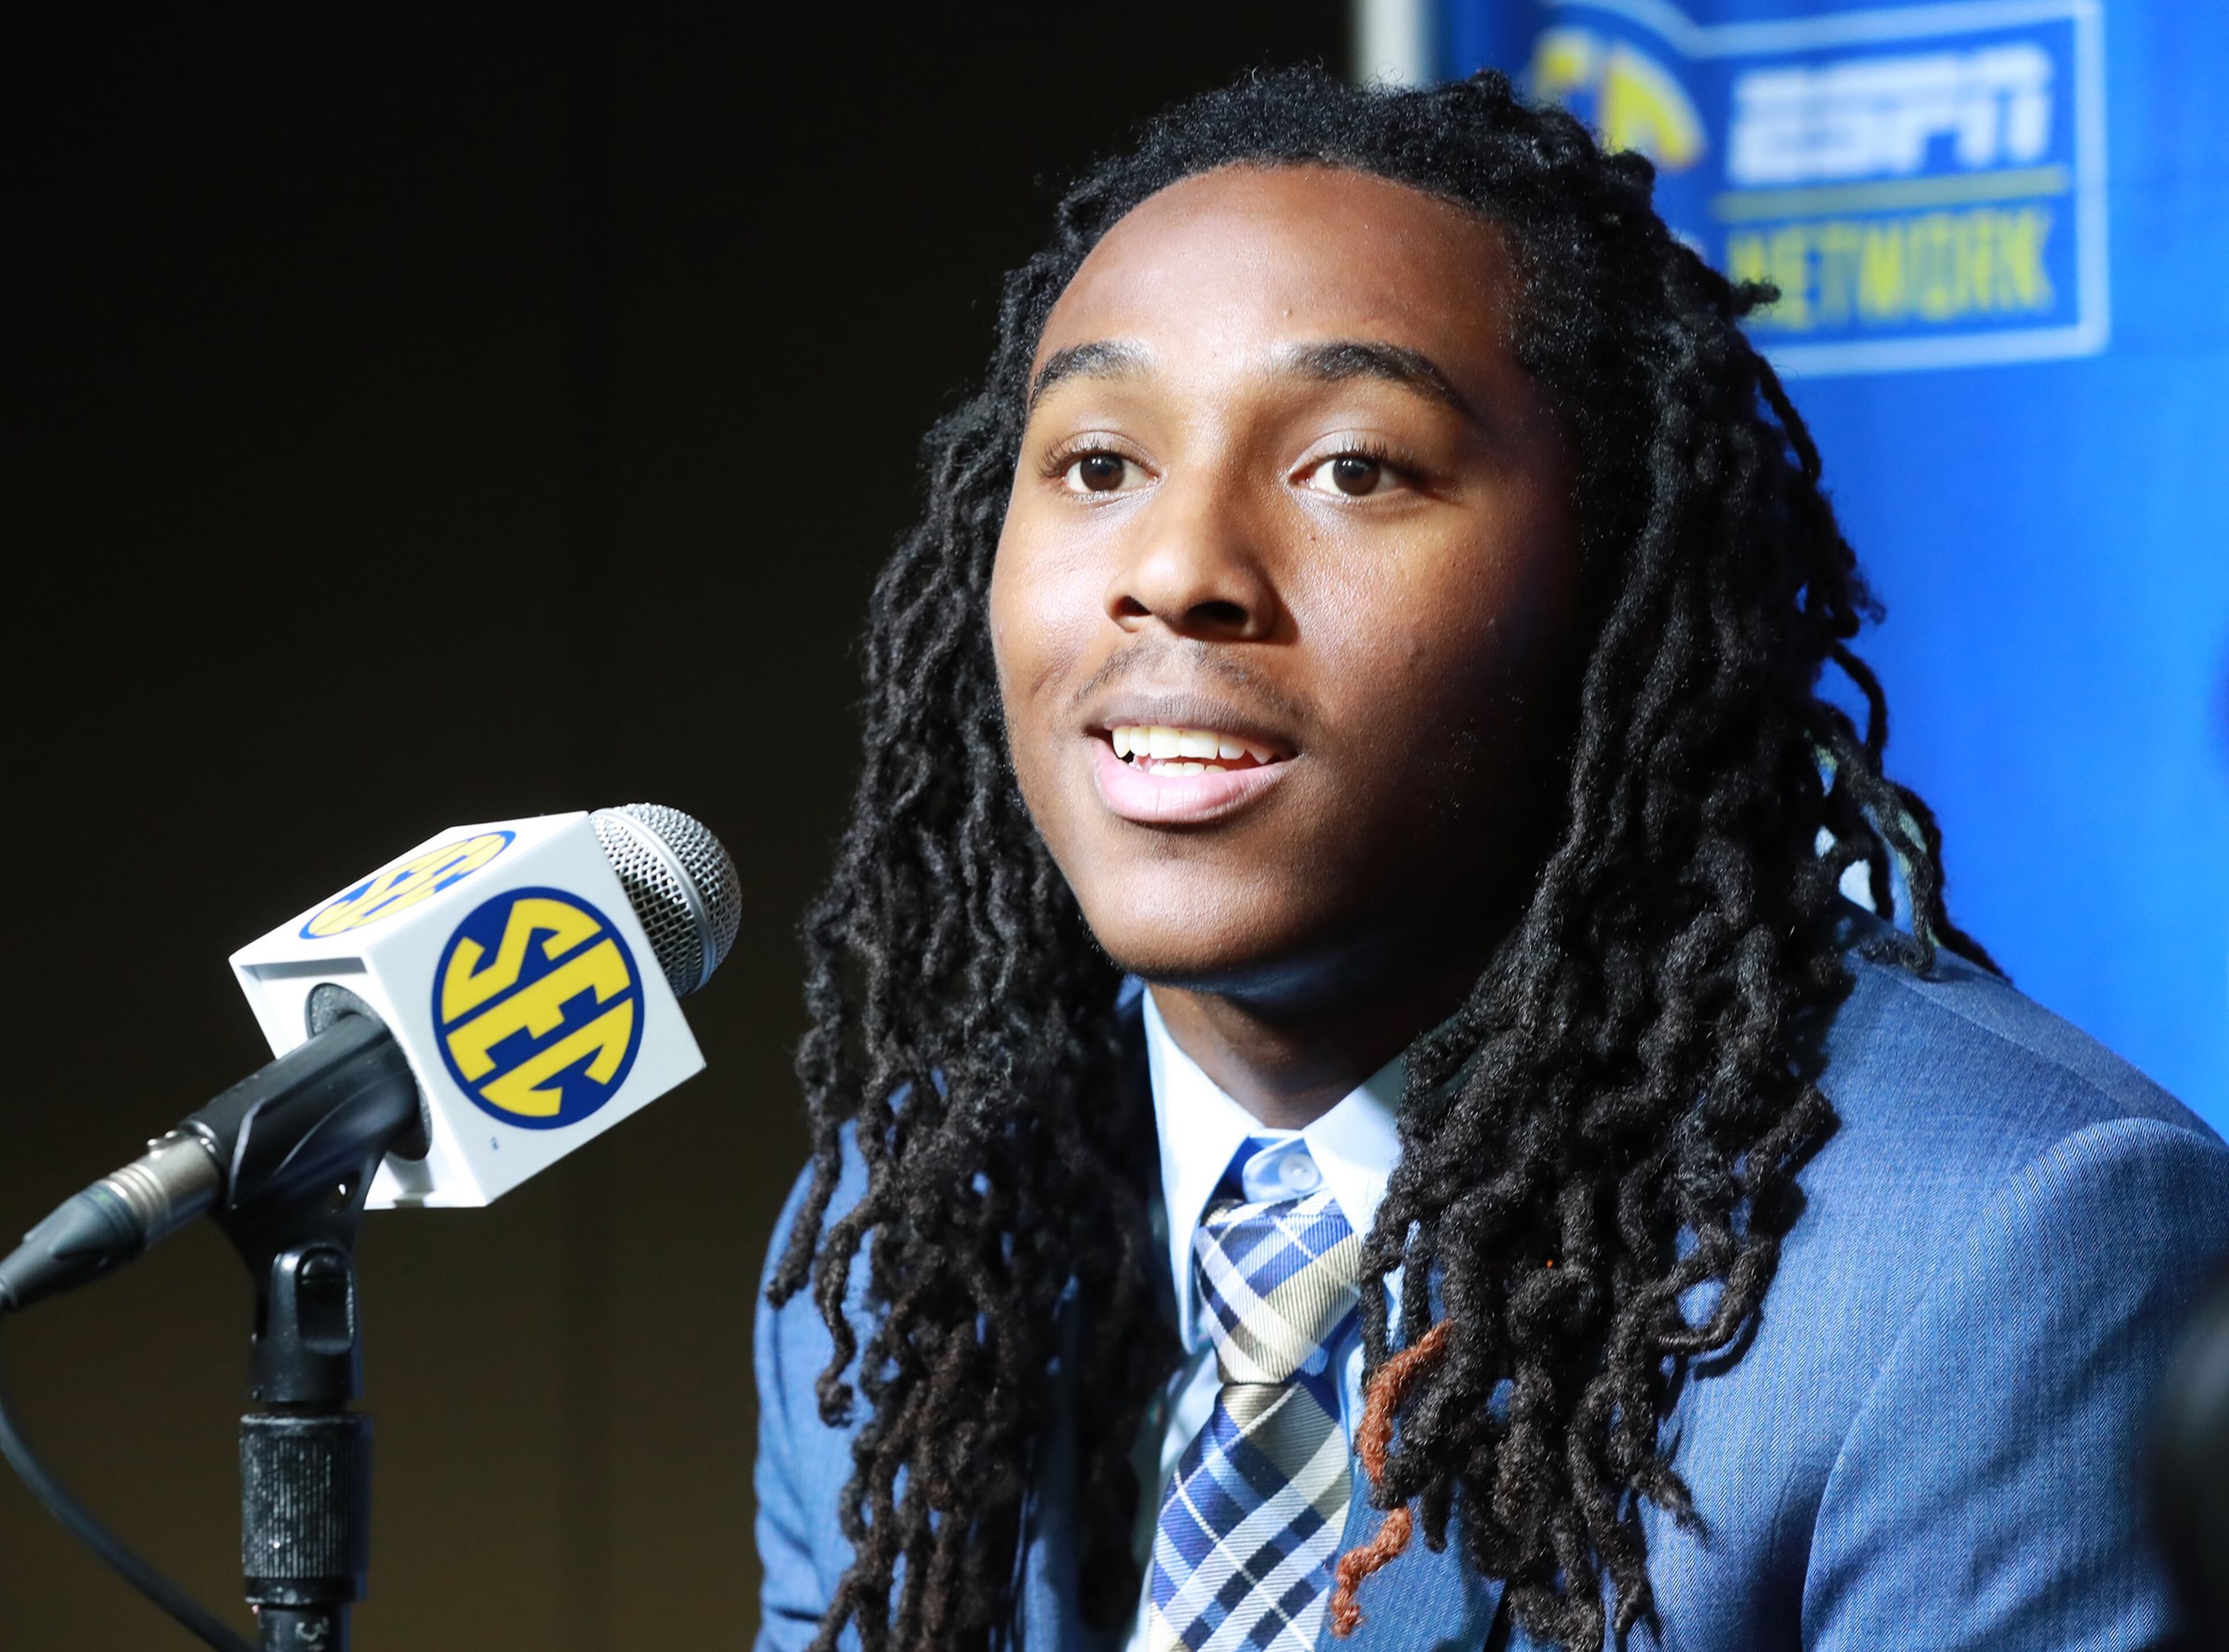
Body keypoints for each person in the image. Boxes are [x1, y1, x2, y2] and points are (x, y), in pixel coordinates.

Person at [751, 67, 2229, 1652]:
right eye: (1101, 465)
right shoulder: (909, 1228)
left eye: (1356, 469)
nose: (1179, 570)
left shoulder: (2007, 1251)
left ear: (1609, 581)